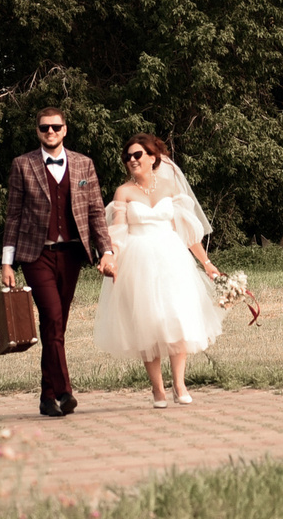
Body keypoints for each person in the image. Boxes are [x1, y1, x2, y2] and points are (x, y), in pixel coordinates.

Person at [92, 131, 227, 406]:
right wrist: (111, 257)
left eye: (138, 154)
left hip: (172, 258)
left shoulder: (169, 187)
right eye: (127, 156)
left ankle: (179, 384)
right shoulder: (124, 192)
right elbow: (117, 232)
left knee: (176, 318)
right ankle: (157, 389)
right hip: (138, 259)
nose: (132, 159)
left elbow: (187, 232)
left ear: (153, 157)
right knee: (148, 322)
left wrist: (207, 263)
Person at [2, 107, 115, 418]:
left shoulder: (84, 164)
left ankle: (46, 396)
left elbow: (95, 213)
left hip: (71, 255)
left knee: (57, 325)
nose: (50, 132)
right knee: (52, 317)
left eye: (55, 127)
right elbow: (13, 215)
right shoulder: (22, 165)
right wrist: (7, 263)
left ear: (65, 129)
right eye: (44, 128)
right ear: (37, 131)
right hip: (35, 255)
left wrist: (107, 251)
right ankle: (65, 391)